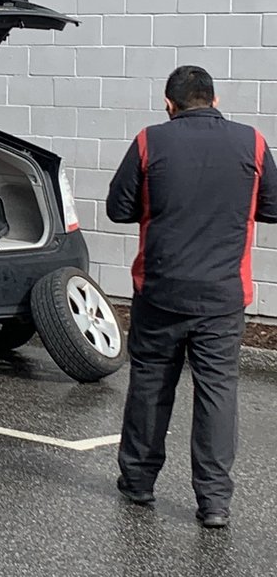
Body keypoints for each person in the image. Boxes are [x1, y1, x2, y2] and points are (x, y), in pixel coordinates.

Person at [106, 65, 277, 529]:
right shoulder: (253, 142)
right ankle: (214, 503)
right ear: (215, 100)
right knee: (218, 392)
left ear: (169, 104)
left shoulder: (149, 141)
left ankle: (138, 482)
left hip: (159, 290)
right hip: (223, 296)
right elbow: (272, 207)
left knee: (150, 385)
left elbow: (118, 208)